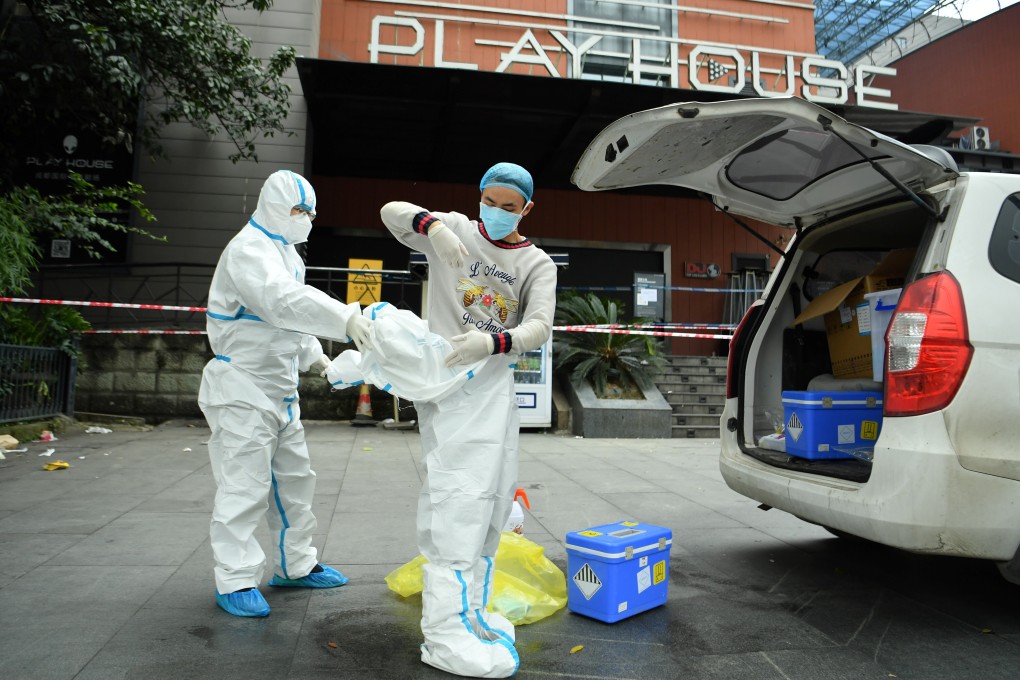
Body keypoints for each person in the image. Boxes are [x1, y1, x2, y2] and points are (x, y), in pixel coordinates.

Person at [380, 162, 557, 677]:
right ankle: (444, 632)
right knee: (460, 500)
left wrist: (494, 341)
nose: (497, 213)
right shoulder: (455, 228)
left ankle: (471, 613)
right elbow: (391, 212)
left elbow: (540, 325)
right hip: (448, 386)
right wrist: (431, 226)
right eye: (490, 202)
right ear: (479, 196)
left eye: (510, 207)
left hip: (493, 386)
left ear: (527, 208)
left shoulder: (536, 262)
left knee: (493, 501)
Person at [198, 169, 373, 618]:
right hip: (242, 387)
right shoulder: (248, 250)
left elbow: (293, 320)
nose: (306, 219)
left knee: (295, 483)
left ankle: (296, 565)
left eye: (310, 212)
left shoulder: (287, 254)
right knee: (244, 487)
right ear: (273, 206)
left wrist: (320, 362)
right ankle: (235, 579)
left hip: (280, 389)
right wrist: (346, 319)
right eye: (298, 210)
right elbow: (280, 301)